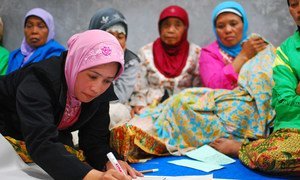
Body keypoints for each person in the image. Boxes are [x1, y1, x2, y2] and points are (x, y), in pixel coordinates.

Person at [0, 30, 142, 179]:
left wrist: (109, 162)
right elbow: (42, 143)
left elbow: (94, 140)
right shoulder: (40, 79)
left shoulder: (101, 90)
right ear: (76, 62)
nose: (97, 88)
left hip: (34, 133)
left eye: (107, 81)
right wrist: (95, 177)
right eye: (92, 76)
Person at [211, 0, 300, 175]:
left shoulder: (264, 48)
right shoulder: (285, 52)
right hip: (294, 127)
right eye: (294, 4)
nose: (299, 10)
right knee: (271, 156)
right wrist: (243, 56)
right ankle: (245, 148)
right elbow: (283, 103)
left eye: (233, 24)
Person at [130, 5, 201, 117]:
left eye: (177, 25)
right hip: (150, 108)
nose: (171, 30)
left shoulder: (196, 52)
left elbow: (198, 89)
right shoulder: (145, 52)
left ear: (185, 28)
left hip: (185, 110)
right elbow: (139, 86)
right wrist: (139, 104)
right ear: (160, 28)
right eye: (166, 25)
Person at [88, 8, 140, 129]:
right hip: (80, 103)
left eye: (120, 36)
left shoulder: (130, 61)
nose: (115, 41)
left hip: (111, 105)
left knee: (116, 112)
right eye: (109, 35)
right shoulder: (83, 55)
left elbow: (119, 96)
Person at [199, 1, 268, 89]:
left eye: (233, 24)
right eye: (221, 26)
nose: (228, 30)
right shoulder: (209, 53)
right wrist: (244, 55)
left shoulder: (256, 45)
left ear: (244, 24)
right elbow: (214, 87)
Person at [6, 8, 65, 74]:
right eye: (29, 26)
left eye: (40, 26)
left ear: (50, 30)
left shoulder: (56, 54)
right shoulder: (15, 55)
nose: (34, 31)